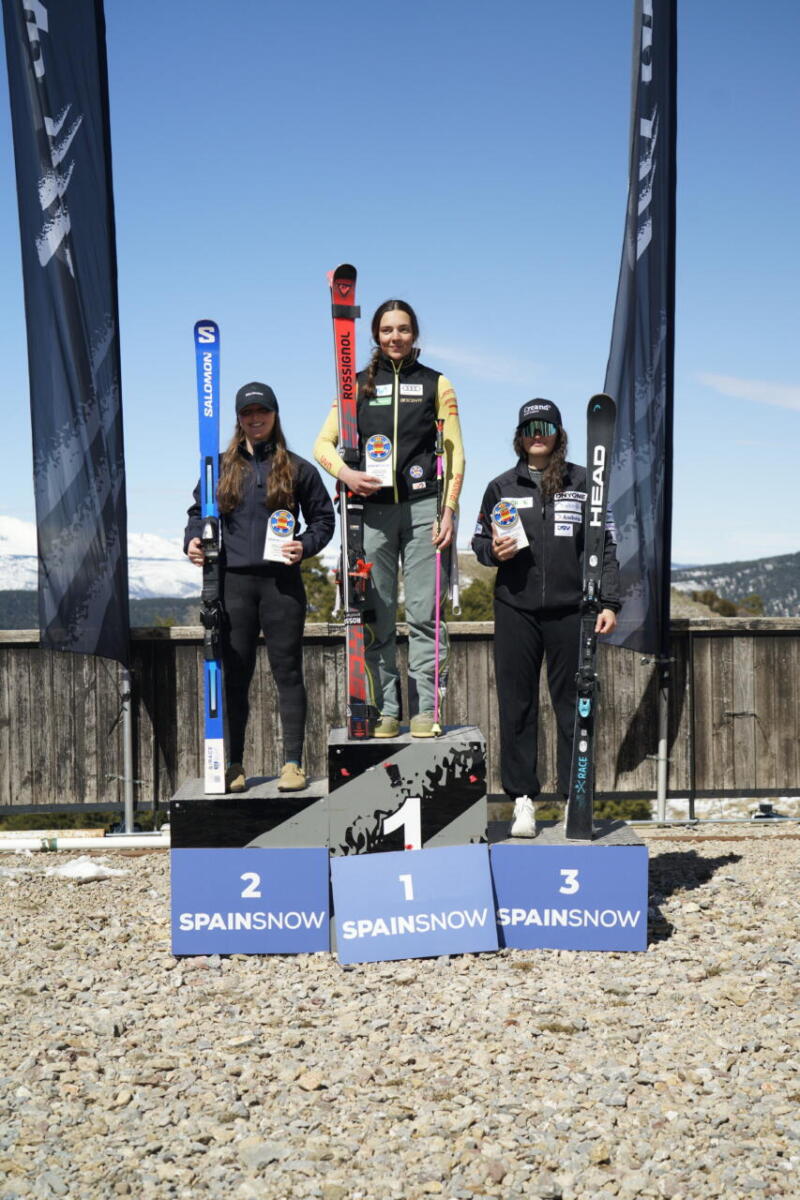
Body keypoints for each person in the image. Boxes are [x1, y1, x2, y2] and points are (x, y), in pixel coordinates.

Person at [314, 299, 465, 738]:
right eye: (386, 330)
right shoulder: (356, 385)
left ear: (414, 334)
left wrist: (449, 509)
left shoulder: (438, 383)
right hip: (372, 513)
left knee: (423, 613)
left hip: (423, 510)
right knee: (376, 614)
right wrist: (345, 473)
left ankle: (427, 710)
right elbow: (322, 443)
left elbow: (454, 452)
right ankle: (386, 711)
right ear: (376, 336)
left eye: (402, 329)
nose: (394, 337)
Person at [471, 399, 620, 836]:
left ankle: (576, 796)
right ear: (520, 434)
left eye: (547, 425)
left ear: (558, 432)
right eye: (530, 426)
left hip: (572, 611)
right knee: (517, 705)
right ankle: (522, 800)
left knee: (573, 707)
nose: (538, 433)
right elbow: (480, 541)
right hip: (515, 609)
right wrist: (490, 552)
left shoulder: (584, 482)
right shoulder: (502, 485)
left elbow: (606, 544)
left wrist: (609, 601)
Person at [185, 382, 335, 792]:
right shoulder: (217, 467)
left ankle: (293, 764)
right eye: (248, 413)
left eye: (262, 412)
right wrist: (193, 539)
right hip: (233, 584)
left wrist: (303, 545)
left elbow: (324, 520)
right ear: (238, 418)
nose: (255, 419)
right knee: (236, 676)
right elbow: (198, 513)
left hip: (280, 584)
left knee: (287, 672)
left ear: (274, 415)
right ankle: (234, 764)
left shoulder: (298, 468)